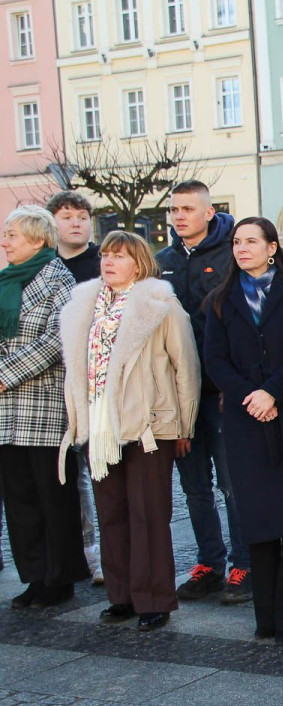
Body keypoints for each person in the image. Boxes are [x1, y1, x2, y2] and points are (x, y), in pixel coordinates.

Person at [59, 231, 200, 632]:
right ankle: (120, 595)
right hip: (100, 425)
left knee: (148, 514)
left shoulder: (162, 306)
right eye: (106, 255)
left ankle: (154, 598)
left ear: (138, 264)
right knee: (111, 513)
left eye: (119, 256)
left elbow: (186, 366)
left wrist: (184, 424)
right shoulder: (85, 306)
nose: (108, 261)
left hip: (149, 424)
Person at [204, 217, 283, 645]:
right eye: (236, 242)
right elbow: (215, 361)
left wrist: (272, 392)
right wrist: (251, 396)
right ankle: (266, 617)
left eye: (251, 241)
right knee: (259, 520)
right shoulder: (220, 299)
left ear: (272, 247)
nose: (242, 248)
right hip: (246, 420)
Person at [155, 180, 250, 605]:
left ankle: (244, 564)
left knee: (233, 484)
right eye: (174, 209)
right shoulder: (163, 261)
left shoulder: (232, 255)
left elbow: (242, 324)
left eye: (188, 209)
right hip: (179, 394)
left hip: (221, 391)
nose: (179, 216)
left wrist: (236, 384)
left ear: (209, 212)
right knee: (194, 486)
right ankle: (209, 563)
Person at [0, 206, 88, 608]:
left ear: (38, 239)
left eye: (12, 235)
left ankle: (60, 578)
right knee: (20, 500)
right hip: (6, 410)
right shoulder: (5, 280)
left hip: (45, 405)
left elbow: (57, 340)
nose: (5, 242)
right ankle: (35, 576)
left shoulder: (59, 279)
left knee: (53, 497)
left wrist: (5, 374)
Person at [47, 190, 104, 586]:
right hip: (54, 383)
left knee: (99, 468)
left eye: (82, 216)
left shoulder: (103, 262)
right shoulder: (46, 266)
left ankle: (99, 552)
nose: (76, 223)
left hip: (95, 379)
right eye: (67, 216)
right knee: (65, 472)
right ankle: (76, 549)